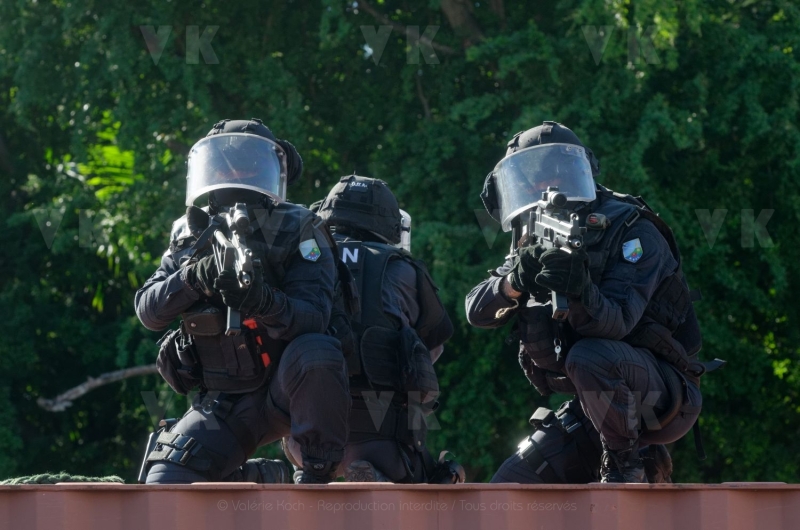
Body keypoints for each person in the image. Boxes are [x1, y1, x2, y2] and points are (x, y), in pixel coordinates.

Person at [466, 121, 721, 483]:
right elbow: (476, 311)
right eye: (532, 179)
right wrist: (514, 282)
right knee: (509, 488)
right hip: (597, 409)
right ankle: (631, 454)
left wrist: (580, 289)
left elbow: (617, 322)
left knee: (589, 355)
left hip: (663, 394)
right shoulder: (534, 233)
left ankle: (627, 466)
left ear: (575, 170)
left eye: (553, 172)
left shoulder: (633, 230)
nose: (543, 185)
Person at [135, 118, 350, 484]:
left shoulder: (301, 227)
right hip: (227, 401)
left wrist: (263, 301)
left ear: (269, 170)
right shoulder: (188, 232)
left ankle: (316, 469)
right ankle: (260, 475)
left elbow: (313, 318)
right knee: (166, 483)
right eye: (224, 165)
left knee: (318, 350)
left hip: (286, 390)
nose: (235, 174)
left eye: (248, 165)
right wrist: (193, 278)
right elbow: (148, 311)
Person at [292, 175, 462, 483]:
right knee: (442, 477)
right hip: (381, 438)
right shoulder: (403, 267)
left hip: (304, 435)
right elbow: (431, 347)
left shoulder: (304, 257)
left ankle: (304, 471)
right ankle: (378, 477)